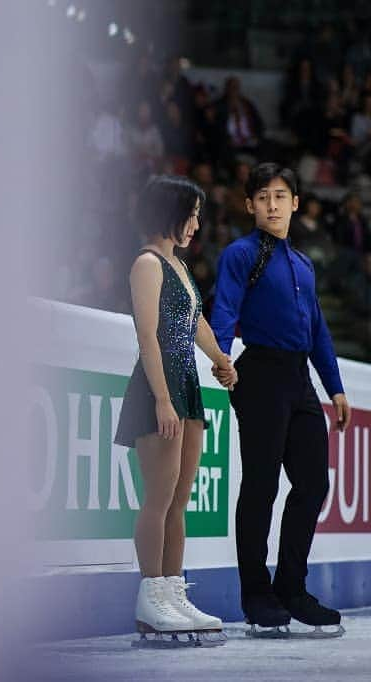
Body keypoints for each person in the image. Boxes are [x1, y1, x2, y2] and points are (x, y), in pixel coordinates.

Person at [210, 162, 351, 637]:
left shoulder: (305, 265)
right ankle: (256, 591)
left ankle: (292, 586)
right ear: (250, 205)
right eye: (263, 197)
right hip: (260, 374)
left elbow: (318, 331)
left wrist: (334, 386)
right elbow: (225, 307)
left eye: (280, 196)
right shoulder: (240, 254)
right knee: (262, 485)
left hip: (299, 379)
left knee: (313, 483)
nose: (272, 204)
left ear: (295, 202)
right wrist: (222, 357)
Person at [114, 175, 236, 645]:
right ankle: (150, 596)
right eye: (194, 214)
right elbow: (148, 336)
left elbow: (196, 321)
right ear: (172, 212)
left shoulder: (178, 266)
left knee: (179, 500)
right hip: (157, 387)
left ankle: (171, 590)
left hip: (186, 384)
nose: (197, 224)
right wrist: (162, 398)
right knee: (159, 496)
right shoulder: (147, 264)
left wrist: (220, 359)